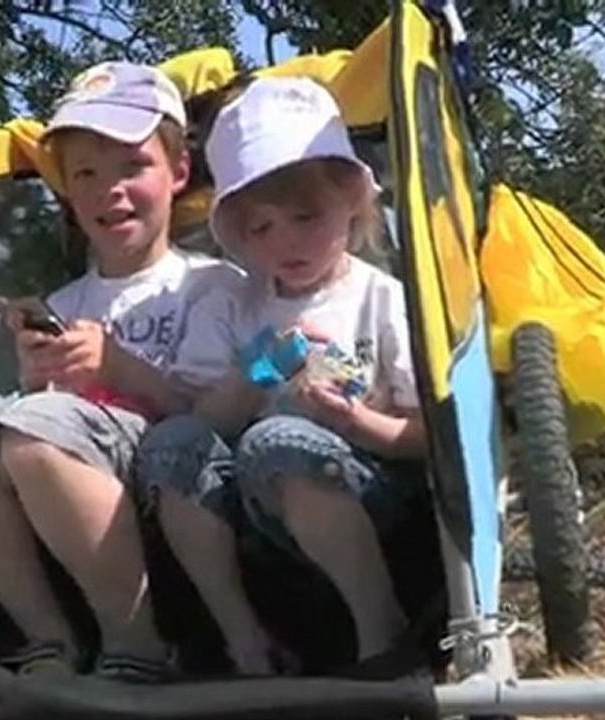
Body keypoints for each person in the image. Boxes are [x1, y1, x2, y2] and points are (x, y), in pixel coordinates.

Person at [0, 60, 243, 682]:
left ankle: (140, 642)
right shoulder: (64, 305)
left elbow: (219, 422)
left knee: (39, 427)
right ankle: (49, 639)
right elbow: (32, 420)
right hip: (63, 482)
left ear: (178, 173)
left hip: (176, 493)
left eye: (131, 167)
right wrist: (38, 374)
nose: (107, 189)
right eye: (85, 173)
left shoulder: (212, 287)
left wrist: (118, 365)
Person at [137, 76, 431, 676]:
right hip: (249, 510)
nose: (286, 242)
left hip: (366, 489)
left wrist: (355, 418)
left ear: (352, 200)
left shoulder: (383, 299)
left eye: (305, 216)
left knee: (279, 442)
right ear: (236, 234)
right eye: (261, 228)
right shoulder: (232, 304)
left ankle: (383, 636)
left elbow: (427, 437)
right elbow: (202, 423)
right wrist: (263, 367)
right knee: (170, 445)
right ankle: (244, 639)